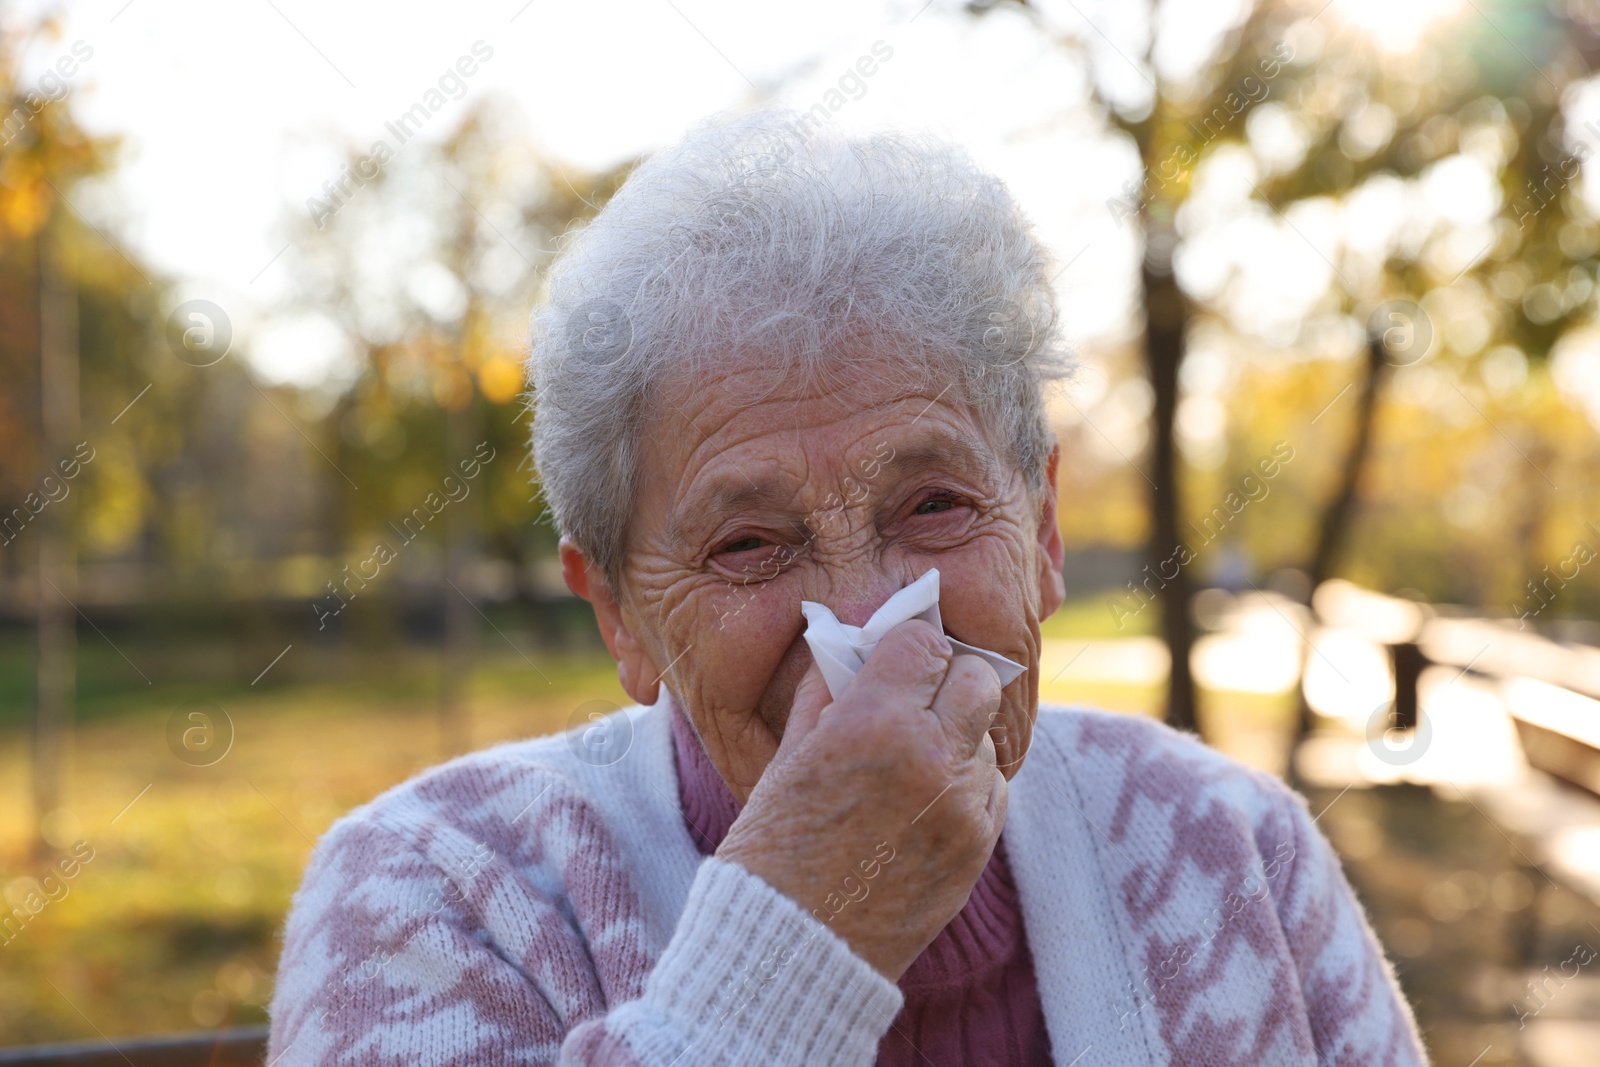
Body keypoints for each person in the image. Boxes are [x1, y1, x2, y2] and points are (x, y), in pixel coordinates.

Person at [267, 110, 1428, 1066]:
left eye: (932, 507)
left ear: (1043, 530)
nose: (870, 627)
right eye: (749, 544)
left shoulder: (1232, 846)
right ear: (618, 610)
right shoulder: (431, 887)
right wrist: (799, 938)